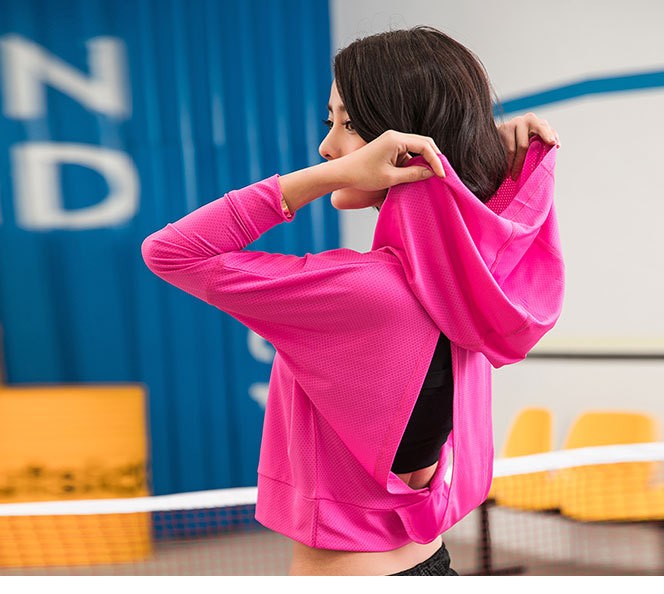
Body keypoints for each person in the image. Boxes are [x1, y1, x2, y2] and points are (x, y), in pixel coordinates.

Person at [142, 26, 564, 576]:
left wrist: (331, 176)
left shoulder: (365, 291)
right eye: (330, 124)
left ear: (402, 144)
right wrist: (496, 161)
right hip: (430, 563)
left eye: (348, 125)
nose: (327, 148)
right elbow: (479, 224)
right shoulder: (475, 281)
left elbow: (170, 252)